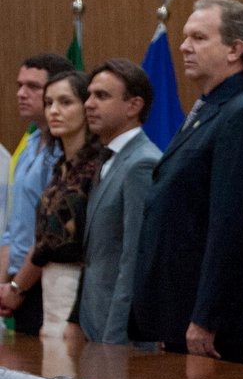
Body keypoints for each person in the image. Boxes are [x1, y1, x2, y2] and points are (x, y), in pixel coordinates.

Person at [131, 0, 243, 362]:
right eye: (184, 36)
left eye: (198, 37)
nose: (184, 46)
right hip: (175, 310)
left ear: (235, 49)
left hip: (206, 323)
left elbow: (231, 224)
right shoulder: (208, 108)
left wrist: (206, 316)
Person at [2, 71, 102, 338]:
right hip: (49, 288)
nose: (54, 111)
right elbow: (40, 234)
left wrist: (16, 287)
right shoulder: (60, 167)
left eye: (65, 102)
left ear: (86, 107)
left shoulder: (96, 168)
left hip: (83, 292)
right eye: (48, 103)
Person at [75, 59, 161, 344]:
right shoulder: (106, 158)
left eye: (101, 96)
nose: (88, 104)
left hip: (117, 333)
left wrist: (115, 337)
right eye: (88, 95)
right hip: (93, 322)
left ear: (133, 106)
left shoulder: (142, 163)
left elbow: (132, 256)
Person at [0, 54, 73, 333]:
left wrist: (17, 287)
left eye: (32, 86)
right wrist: (5, 286)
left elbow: (49, 234)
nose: (21, 93)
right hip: (19, 284)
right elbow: (14, 230)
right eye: (19, 85)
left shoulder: (63, 154)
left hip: (46, 283)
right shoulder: (30, 145)